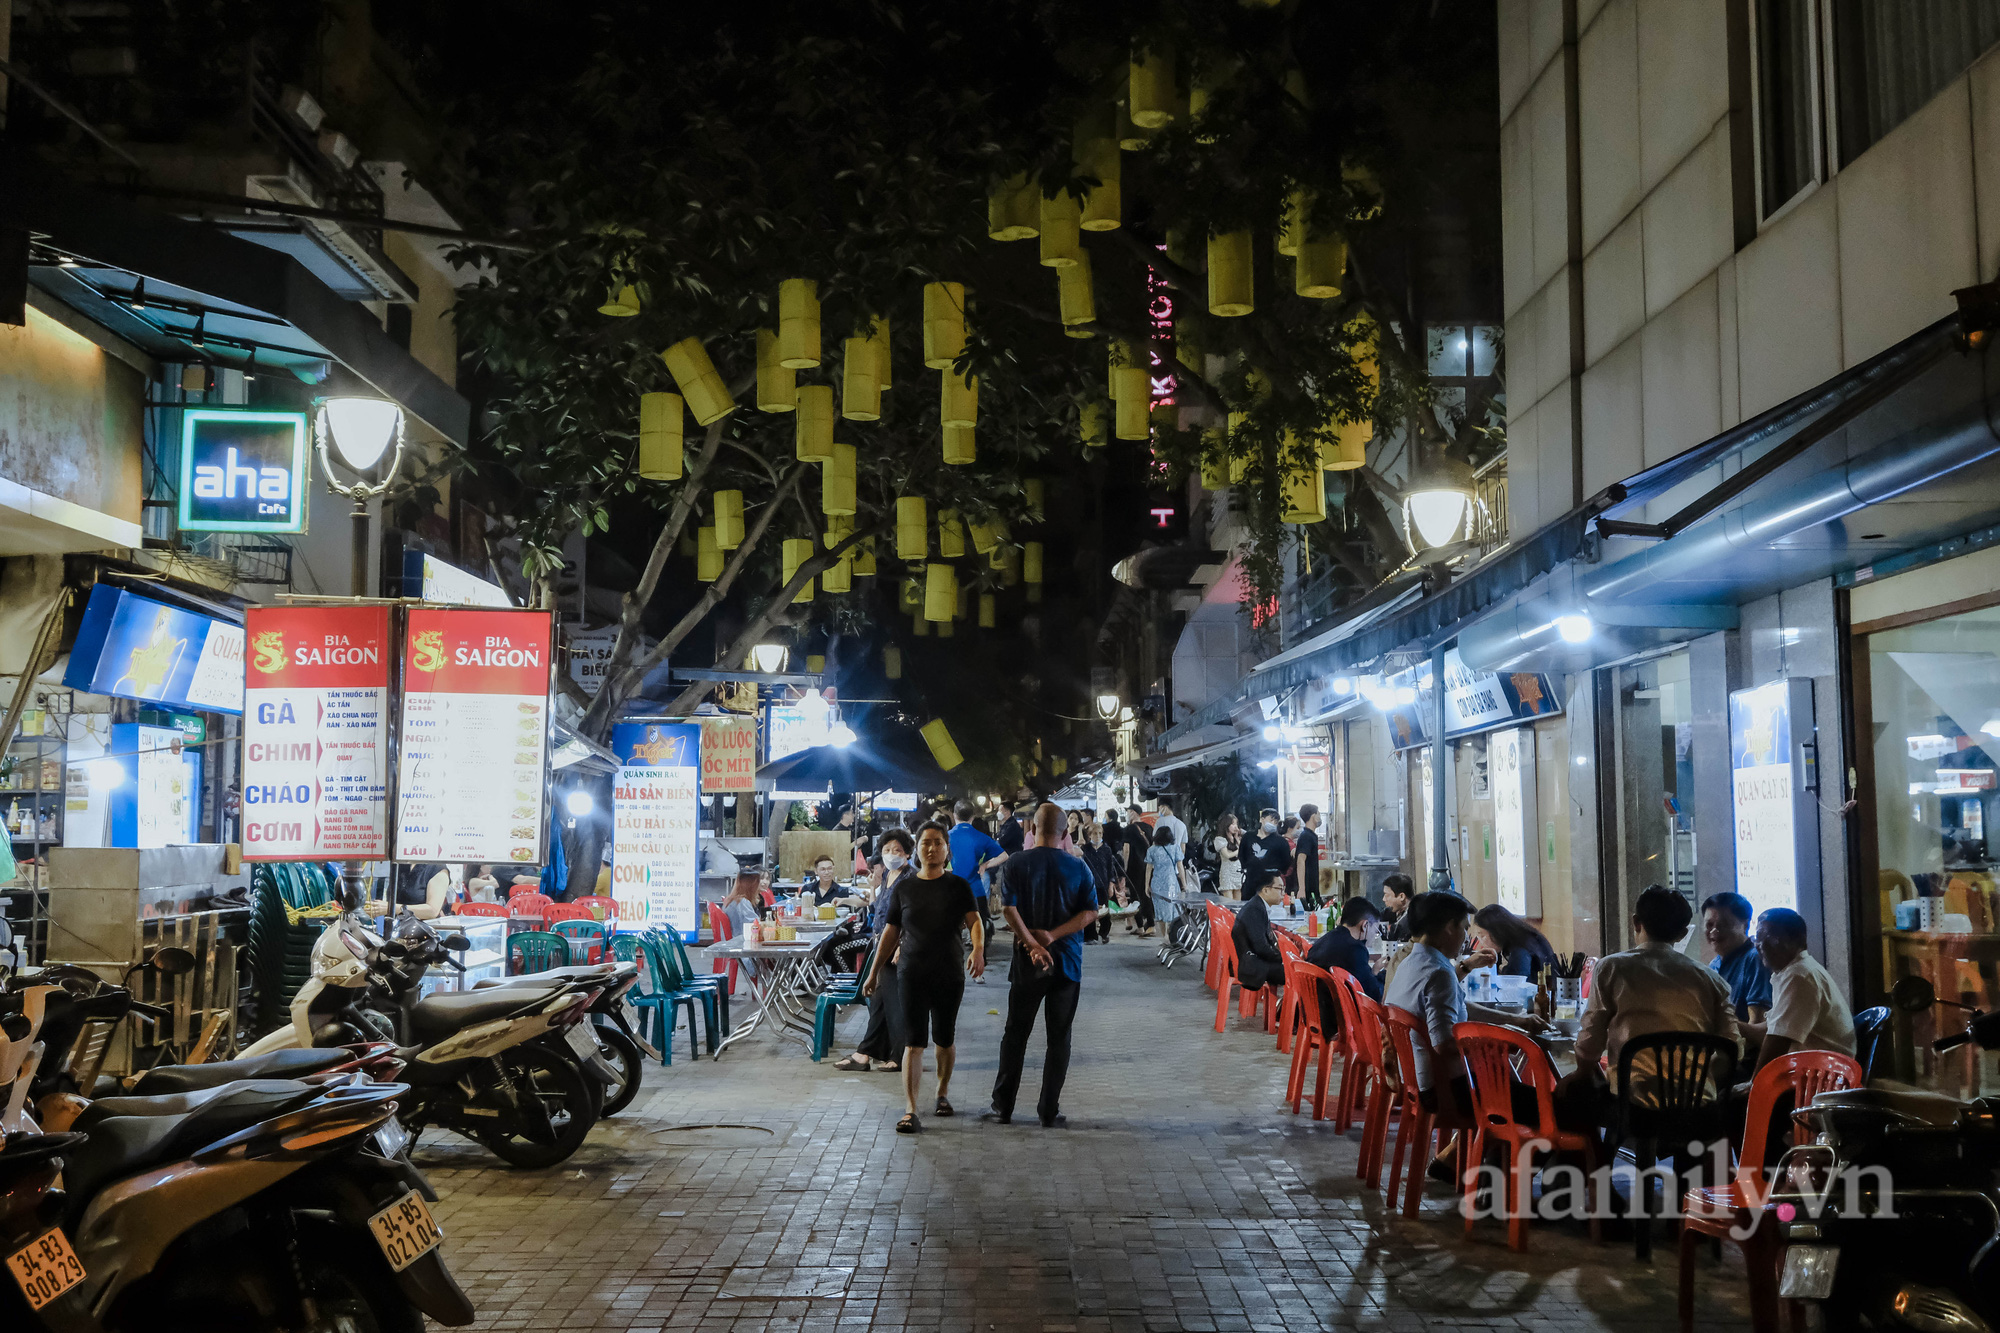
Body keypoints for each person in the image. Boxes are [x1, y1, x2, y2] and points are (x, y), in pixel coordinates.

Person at [1383, 891, 1551, 1123]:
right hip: (1448, 1090)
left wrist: (1516, 1021)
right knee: (1551, 1109)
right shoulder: (1439, 973)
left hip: (1418, 1080)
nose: (1466, 938)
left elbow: (1459, 1006)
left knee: (1518, 1088)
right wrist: (1492, 1044)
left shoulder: (1412, 963)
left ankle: (1462, 1156)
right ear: (1449, 928)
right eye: (1463, 928)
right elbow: (1445, 1044)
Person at [1566, 886, 1738, 1110]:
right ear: (1682, 934)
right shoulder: (1712, 980)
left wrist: (1582, 1072)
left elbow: (1591, 1038)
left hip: (1632, 1107)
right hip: (1697, 1111)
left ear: (1636, 922)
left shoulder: (1611, 968)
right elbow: (1732, 1047)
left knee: (1570, 1097)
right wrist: (1696, 1082)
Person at [862, 822, 984, 1133]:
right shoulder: (904, 888)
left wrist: (978, 950)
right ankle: (911, 1108)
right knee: (914, 1042)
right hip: (911, 972)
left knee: (944, 1038)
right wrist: (874, 972)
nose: (931, 848)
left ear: (946, 849)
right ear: (917, 849)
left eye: (937, 843)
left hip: (948, 972)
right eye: (925, 843)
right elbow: (890, 932)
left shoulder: (958, 886)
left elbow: (975, 921)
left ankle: (942, 1093)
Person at [987, 803, 1099, 1127]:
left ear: (1032, 831)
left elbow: (1008, 909)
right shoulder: (1079, 867)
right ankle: (1049, 1111)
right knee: (1059, 1038)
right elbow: (1091, 912)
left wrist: (1033, 943)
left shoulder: (1017, 863)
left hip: (1027, 964)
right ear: (1066, 833)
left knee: (1015, 1035)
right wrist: (1052, 936)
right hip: (1067, 964)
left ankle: (1002, 1107)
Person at [837, 829, 916, 1072]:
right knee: (880, 1001)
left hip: (898, 949)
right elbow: (879, 910)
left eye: (897, 850)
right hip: (881, 945)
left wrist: (902, 944)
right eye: (887, 850)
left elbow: (910, 917)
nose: (892, 855)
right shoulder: (887, 876)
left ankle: (900, 1055)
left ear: (908, 853)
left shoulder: (909, 878)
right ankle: (865, 1053)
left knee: (896, 1003)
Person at [1743, 907, 1855, 1071]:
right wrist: (1733, 1024)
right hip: (1810, 1069)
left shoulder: (1800, 976)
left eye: (1773, 939)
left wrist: (1754, 1086)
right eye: (1758, 938)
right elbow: (1771, 1030)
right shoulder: (1788, 972)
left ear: (1799, 941)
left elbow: (1777, 1042)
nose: (1762, 945)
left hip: (1823, 1076)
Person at [949, 801, 1008, 960]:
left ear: (954, 815)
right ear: (973, 817)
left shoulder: (946, 836)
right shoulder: (981, 837)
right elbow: (1004, 855)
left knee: (950, 928)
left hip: (951, 888)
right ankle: (980, 964)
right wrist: (985, 865)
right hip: (976, 888)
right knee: (979, 925)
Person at [1703, 892, 1773, 1024]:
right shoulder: (1714, 965)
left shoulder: (1755, 959)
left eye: (1723, 924)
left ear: (1746, 925)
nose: (1714, 931)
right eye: (1709, 925)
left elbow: (1757, 1023)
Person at [1306, 897, 1383, 1010]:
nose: (1374, 936)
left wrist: (1373, 971)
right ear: (1365, 925)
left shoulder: (1325, 939)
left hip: (1312, 1009)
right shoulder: (1355, 949)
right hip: (1337, 1018)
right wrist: (1379, 974)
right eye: (1375, 930)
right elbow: (1373, 995)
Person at [1231, 874, 1288, 996]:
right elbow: (1261, 947)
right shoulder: (1255, 909)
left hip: (1255, 962)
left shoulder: (1257, 905)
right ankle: (1292, 1011)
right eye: (1280, 889)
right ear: (1266, 890)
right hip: (1254, 967)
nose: (1283, 893)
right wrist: (1284, 959)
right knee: (1300, 975)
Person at [1471, 902, 1560, 978]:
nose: (1481, 941)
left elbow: (1516, 980)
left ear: (1497, 932)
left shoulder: (1521, 947)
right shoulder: (1518, 939)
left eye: (1482, 936)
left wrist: (1503, 969)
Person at [1079, 820, 1122, 943]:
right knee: (1089, 909)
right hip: (1089, 884)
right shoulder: (1085, 849)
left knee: (1105, 910)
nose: (1097, 836)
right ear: (1090, 835)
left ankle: (1104, 933)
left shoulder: (1106, 849)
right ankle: (1090, 935)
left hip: (1103, 883)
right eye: (1095, 833)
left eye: (1099, 833)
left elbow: (1110, 868)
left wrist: (1111, 884)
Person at [1141, 823, 1178, 937]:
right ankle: (1171, 934)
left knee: (1160, 910)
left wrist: (1146, 885)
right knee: (1172, 908)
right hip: (1171, 882)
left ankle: (1164, 936)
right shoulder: (1175, 848)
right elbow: (1180, 866)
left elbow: (1148, 868)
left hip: (1157, 883)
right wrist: (1184, 884)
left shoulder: (1151, 850)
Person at [1241, 809, 1291, 892]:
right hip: (1251, 881)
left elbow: (1286, 862)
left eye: (1275, 822)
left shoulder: (1281, 841)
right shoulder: (1248, 837)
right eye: (1271, 820)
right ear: (1262, 819)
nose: (1273, 824)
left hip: (1271, 884)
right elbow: (1242, 856)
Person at [1121, 808, 1153, 934]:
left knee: (1135, 896)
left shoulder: (1129, 829)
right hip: (1147, 865)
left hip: (1134, 866)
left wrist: (1125, 867)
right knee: (1146, 893)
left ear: (1133, 813)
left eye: (1128, 812)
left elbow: (1126, 849)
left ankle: (1141, 926)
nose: (1126, 815)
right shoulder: (1149, 827)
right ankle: (1150, 923)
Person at [1294, 805, 1324, 910]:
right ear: (1313, 816)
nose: (1320, 817)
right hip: (1307, 889)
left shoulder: (1311, 835)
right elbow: (1300, 860)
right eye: (1319, 814)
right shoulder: (1306, 836)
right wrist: (1302, 888)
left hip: (1312, 886)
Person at [1212, 814, 1244, 898]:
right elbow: (1227, 855)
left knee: (1238, 903)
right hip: (1228, 873)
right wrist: (1239, 850)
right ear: (1226, 825)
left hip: (1238, 872)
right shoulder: (1220, 839)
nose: (1235, 827)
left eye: (1236, 824)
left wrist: (1237, 839)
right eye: (1233, 824)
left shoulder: (1237, 839)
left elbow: (1244, 852)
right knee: (1228, 902)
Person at [1379, 874, 1415, 942]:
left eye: (1387, 895)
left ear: (1401, 896)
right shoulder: (1389, 913)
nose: (1383, 899)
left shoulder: (1415, 918)